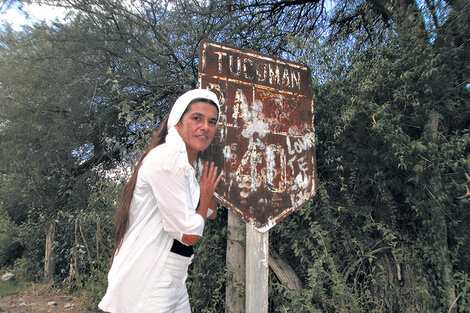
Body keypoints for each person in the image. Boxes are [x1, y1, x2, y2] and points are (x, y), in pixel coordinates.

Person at [99, 89, 223, 313]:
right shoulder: (167, 159)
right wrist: (204, 198)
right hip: (152, 277)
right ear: (177, 122)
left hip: (174, 275)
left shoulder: (188, 167)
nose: (205, 127)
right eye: (196, 118)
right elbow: (188, 235)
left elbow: (211, 213)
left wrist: (205, 196)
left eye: (212, 121)